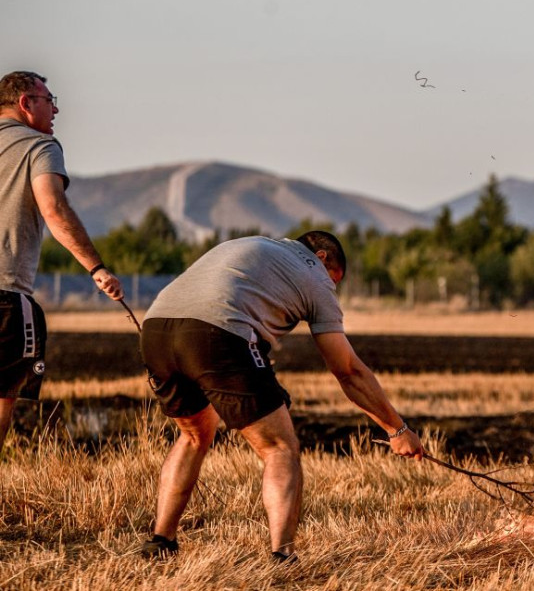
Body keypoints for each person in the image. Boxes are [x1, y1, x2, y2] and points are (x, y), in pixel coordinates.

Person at [139, 230, 423, 561]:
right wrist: (397, 430)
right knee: (279, 448)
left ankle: (161, 541)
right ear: (322, 258)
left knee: (192, 437)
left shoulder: (251, 245)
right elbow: (348, 370)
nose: (332, 288)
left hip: (156, 329)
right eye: (335, 280)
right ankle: (283, 557)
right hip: (218, 334)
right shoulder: (314, 274)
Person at [0, 71, 123, 449]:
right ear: (26, 103)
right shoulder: (39, 146)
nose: (55, 110)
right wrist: (97, 268)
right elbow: (53, 208)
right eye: (49, 100)